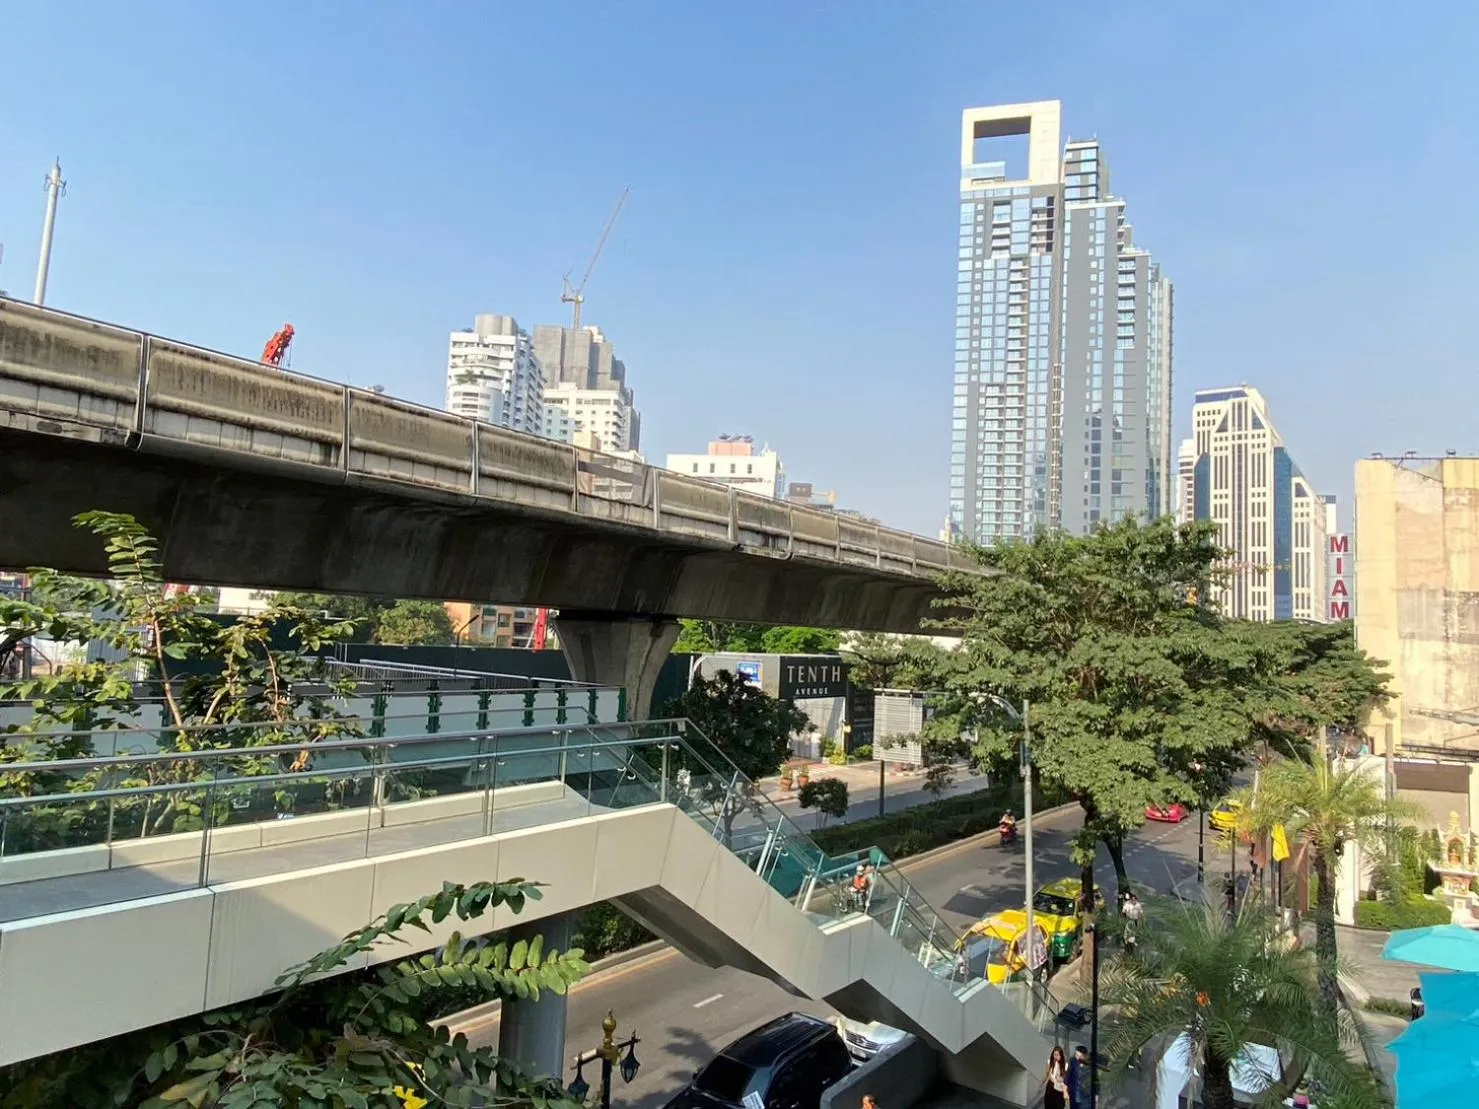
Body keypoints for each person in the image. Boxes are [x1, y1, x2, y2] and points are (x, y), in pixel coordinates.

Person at [1067, 1044, 1092, 1109]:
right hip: (1073, 1093)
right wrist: (1066, 1091)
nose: (1077, 1057)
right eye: (1076, 1054)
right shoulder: (1072, 1061)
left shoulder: (1089, 1064)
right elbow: (1067, 1077)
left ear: (1085, 1056)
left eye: (1079, 1056)